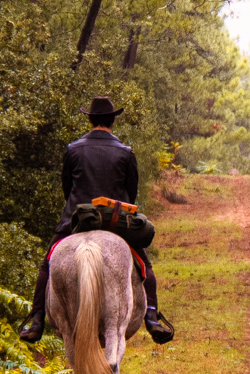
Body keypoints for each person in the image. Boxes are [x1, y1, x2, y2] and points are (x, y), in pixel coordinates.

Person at [18, 97, 174, 344]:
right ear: (113, 121)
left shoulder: (72, 149)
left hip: (76, 221)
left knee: (47, 265)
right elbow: (131, 193)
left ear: (89, 119)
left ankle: (36, 321)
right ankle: (152, 318)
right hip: (115, 221)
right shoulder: (126, 152)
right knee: (146, 267)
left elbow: (67, 188)